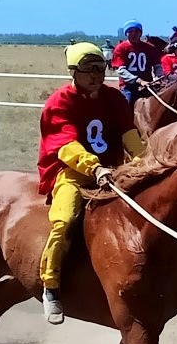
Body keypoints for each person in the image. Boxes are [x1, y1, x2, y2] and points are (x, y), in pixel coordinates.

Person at [37, 43, 146, 324]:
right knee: (64, 221)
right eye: (88, 70)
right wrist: (93, 167)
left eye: (100, 69)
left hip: (113, 169)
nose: (96, 75)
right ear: (73, 72)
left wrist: (145, 161)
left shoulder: (114, 98)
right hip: (74, 171)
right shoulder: (60, 102)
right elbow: (65, 145)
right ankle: (50, 286)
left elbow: (128, 132)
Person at [111, 20, 162, 105]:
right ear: (126, 33)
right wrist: (138, 80)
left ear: (141, 33)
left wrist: (158, 78)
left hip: (148, 85)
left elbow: (157, 66)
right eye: (130, 31)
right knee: (126, 106)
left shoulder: (150, 48)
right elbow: (121, 70)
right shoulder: (121, 48)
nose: (134, 34)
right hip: (128, 87)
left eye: (137, 31)